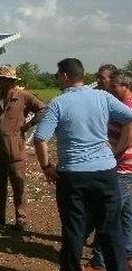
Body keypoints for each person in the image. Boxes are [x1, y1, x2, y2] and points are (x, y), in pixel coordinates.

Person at [34, 58, 132, 271]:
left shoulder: (58, 103)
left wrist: (46, 166)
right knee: (111, 228)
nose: (58, 79)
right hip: (105, 171)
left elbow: (40, 137)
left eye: (58, 75)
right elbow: (129, 118)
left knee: (74, 230)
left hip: (73, 174)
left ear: (66, 76)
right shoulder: (103, 97)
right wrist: (118, 151)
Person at [0, 65, 45, 231]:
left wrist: (30, 124)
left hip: (15, 147)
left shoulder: (23, 96)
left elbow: (43, 110)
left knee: (18, 183)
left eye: (1, 80)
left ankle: (21, 218)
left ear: (10, 82)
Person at [86, 70, 132, 271]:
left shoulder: (128, 107)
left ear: (125, 86)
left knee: (108, 214)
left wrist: (112, 158)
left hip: (122, 167)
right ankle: (128, 254)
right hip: (129, 167)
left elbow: (127, 137)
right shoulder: (122, 104)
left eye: (114, 86)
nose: (110, 90)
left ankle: (100, 261)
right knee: (127, 213)